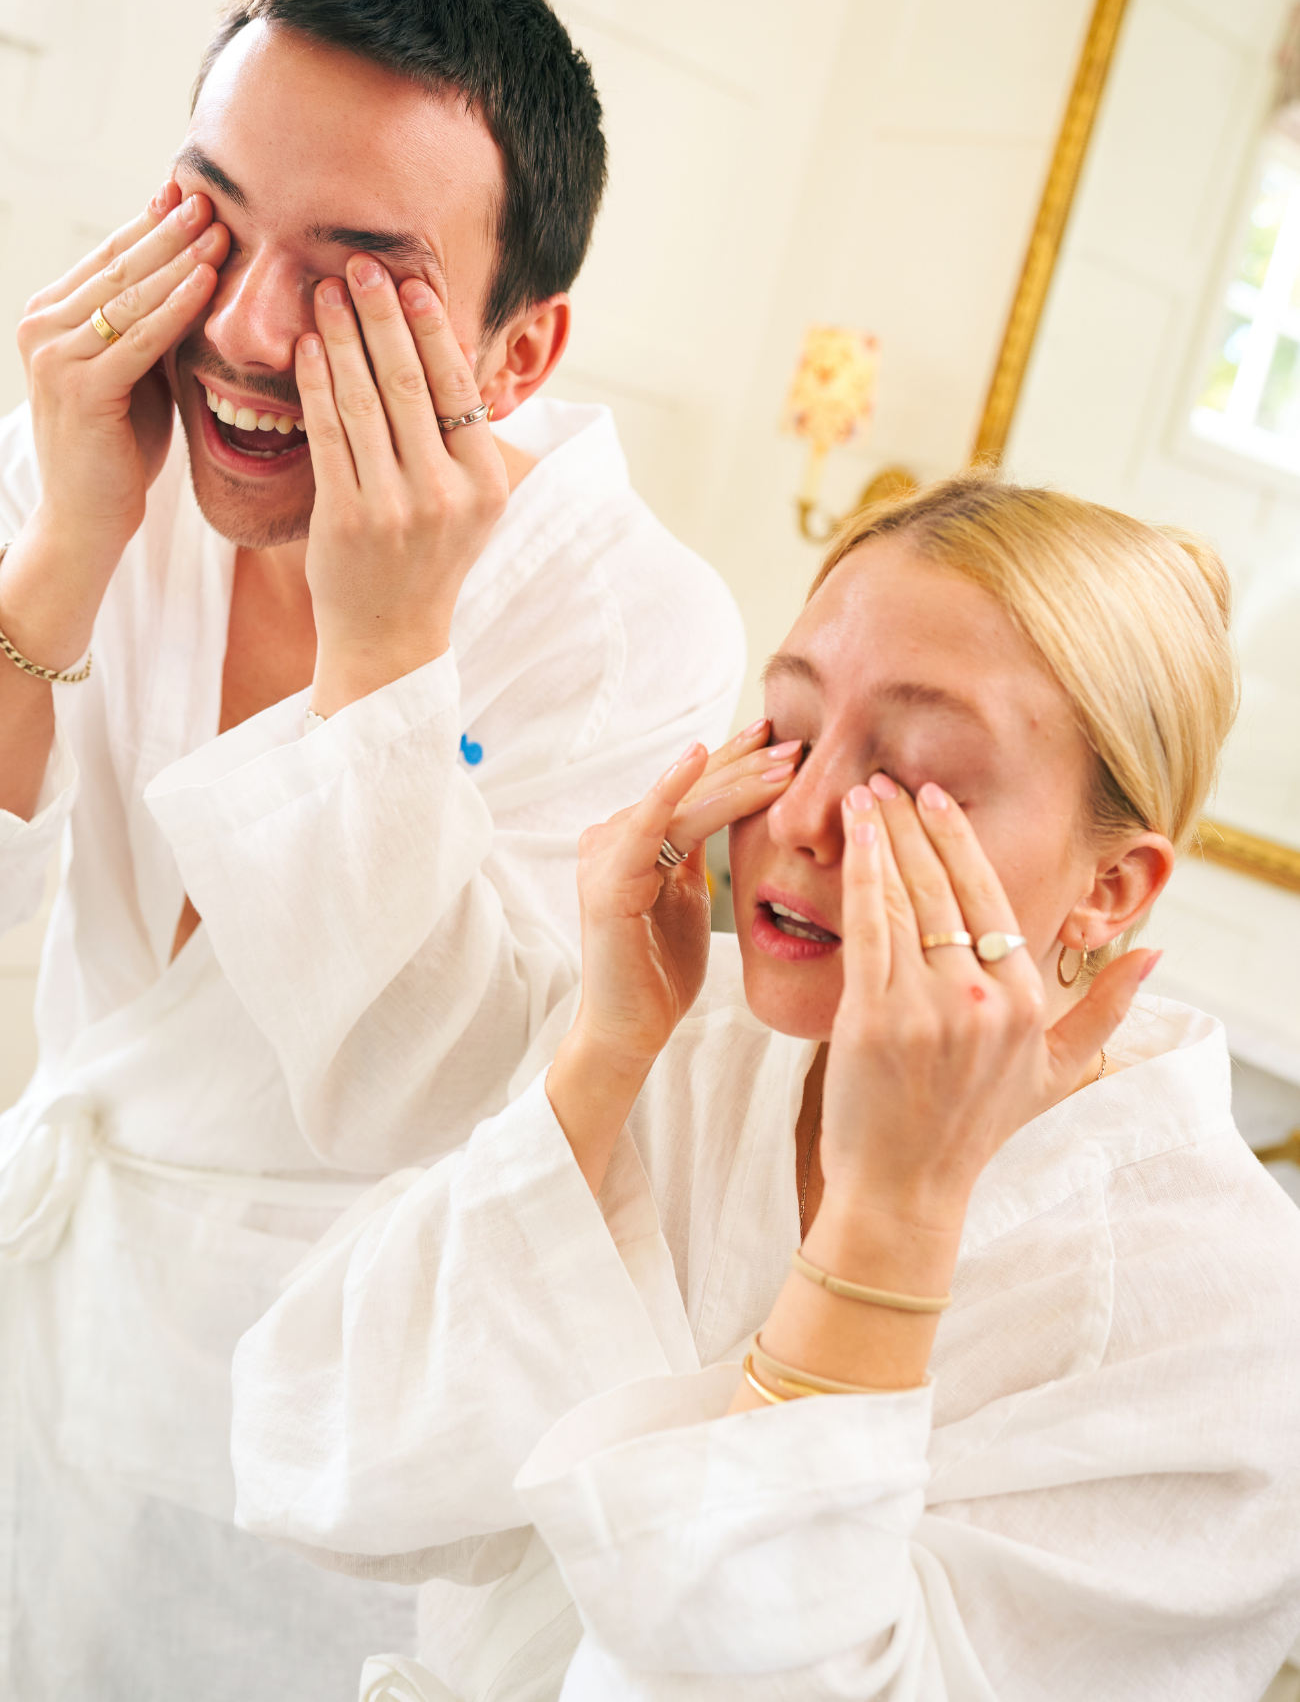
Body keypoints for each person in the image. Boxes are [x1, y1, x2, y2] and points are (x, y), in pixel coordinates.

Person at [0, 0, 743, 1699]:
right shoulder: (94, 442)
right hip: (42, 1312)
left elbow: (451, 1090)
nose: (248, 330)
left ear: (520, 348)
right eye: (212, 220)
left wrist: (390, 653)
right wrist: (68, 543)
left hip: (315, 1427)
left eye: (357, 281)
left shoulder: (632, 626)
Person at [232, 473, 1300, 1702]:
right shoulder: (686, 1043)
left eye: (914, 777)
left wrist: (890, 1218)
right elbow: (313, 1449)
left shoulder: (1233, 1323)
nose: (799, 814)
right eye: (787, 731)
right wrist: (601, 1057)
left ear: (1110, 889)